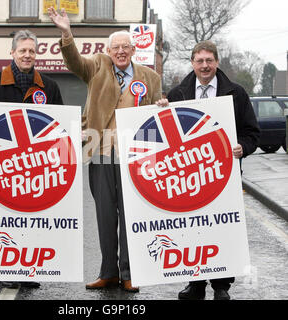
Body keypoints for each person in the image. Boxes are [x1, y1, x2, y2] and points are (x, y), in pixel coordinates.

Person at [48, 7, 168, 292]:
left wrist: (161, 107)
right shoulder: (97, 66)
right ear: (108, 50)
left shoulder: (150, 78)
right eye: (116, 47)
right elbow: (74, 62)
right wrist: (66, 33)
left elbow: (155, 117)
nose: (121, 51)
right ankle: (108, 272)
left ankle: (128, 273)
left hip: (134, 159)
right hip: (100, 151)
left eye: (126, 46)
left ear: (134, 49)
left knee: (130, 216)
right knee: (104, 215)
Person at [159, 40, 260, 300]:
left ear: (216, 62)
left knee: (222, 228)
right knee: (190, 228)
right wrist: (159, 111)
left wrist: (242, 148)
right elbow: (162, 133)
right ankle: (195, 284)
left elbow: (251, 132)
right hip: (188, 175)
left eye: (209, 61)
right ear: (192, 63)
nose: (204, 66)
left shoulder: (236, 93)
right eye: (199, 61)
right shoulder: (177, 94)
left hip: (223, 174)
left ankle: (221, 285)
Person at [0, 29, 64, 289]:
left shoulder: (49, 86)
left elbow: (60, 125)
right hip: (4, 164)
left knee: (33, 216)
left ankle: (28, 269)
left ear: (36, 54)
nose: (27, 55)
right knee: (6, 215)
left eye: (32, 51)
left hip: (37, 166)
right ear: (12, 53)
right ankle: (8, 268)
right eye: (23, 50)